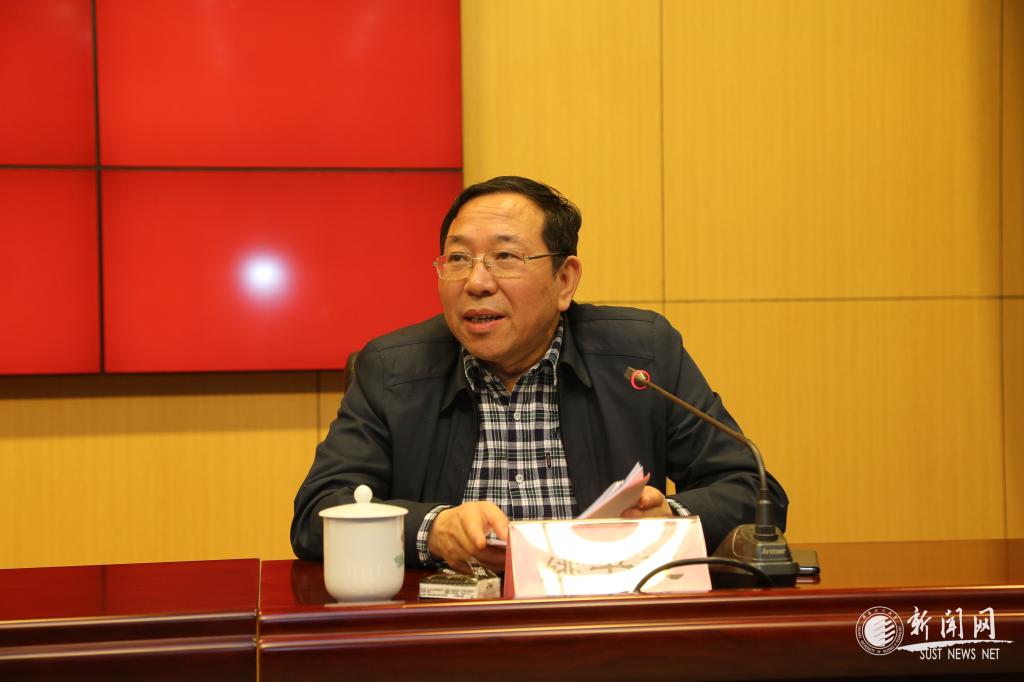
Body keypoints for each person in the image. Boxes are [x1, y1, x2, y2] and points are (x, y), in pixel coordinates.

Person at [291, 176, 788, 573]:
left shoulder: (642, 355)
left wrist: (669, 519)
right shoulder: (392, 368)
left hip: (605, 620)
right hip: (451, 631)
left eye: (505, 258)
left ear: (564, 280)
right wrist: (433, 530)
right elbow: (317, 513)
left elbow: (752, 489)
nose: (476, 282)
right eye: (458, 258)